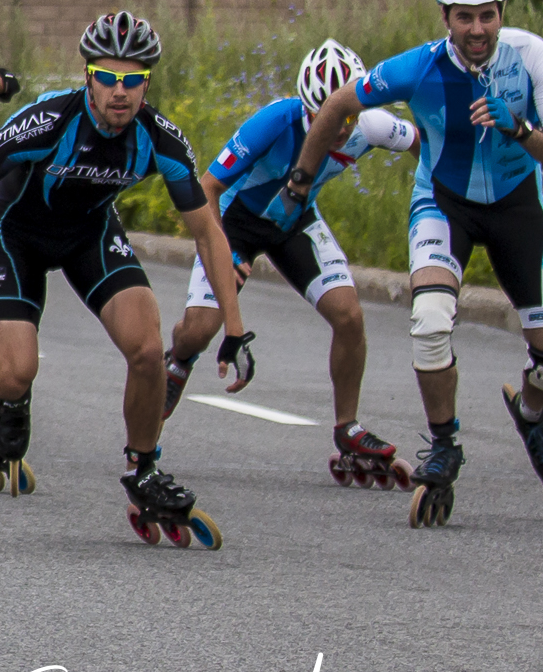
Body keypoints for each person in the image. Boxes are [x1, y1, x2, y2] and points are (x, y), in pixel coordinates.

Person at [0, 12, 252, 546]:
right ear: (88, 76)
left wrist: (233, 329)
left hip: (89, 235)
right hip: (17, 235)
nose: (120, 93)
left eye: (133, 80)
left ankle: (143, 468)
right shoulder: (47, 121)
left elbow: (208, 233)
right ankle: (10, 412)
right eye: (108, 78)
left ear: (147, 83)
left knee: (146, 349)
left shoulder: (160, 138)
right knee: (11, 374)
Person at [281, 0, 543, 525]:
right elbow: (341, 103)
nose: (477, 30)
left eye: (487, 16)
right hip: (445, 202)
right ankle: (445, 443)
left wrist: (519, 128)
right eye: (464, 17)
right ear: (446, 17)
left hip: (519, 207)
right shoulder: (417, 67)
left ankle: (533, 411)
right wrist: (300, 180)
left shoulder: (532, 56)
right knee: (431, 321)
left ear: (501, 14)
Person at [162, 40, 418, 486]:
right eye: (326, 117)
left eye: (348, 117)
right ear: (306, 107)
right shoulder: (276, 121)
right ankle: (177, 361)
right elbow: (207, 188)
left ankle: (347, 427)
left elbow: (422, 142)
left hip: (295, 222)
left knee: (349, 315)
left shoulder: (371, 124)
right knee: (201, 328)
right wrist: (226, 257)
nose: (340, 129)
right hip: (237, 225)